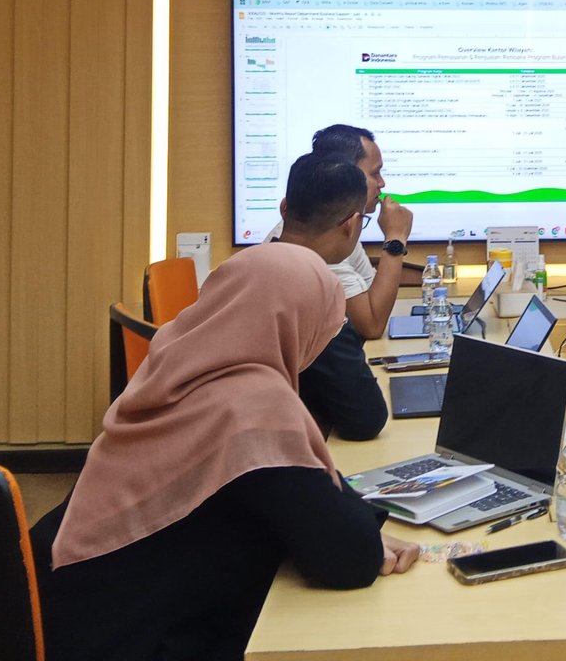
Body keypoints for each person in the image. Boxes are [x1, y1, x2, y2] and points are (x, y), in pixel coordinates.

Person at [30, 243, 420, 661]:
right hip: (131, 639)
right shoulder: (251, 407)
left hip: (72, 606)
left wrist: (354, 522)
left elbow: (296, 488)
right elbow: (350, 560)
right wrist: (359, 533)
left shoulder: (182, 359)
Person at [279, 153, 389, 440]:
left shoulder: (232, 271)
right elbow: (365, 420)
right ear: (352, 225)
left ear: (283, 208)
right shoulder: (317, 293)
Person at [307, 123, 417, 340]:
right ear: (345, 174)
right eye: (374, 173)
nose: (382, 183)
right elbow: (372, 326)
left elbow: (374, 297)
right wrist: (395, 238)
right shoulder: (322, 238)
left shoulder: (343, 222)